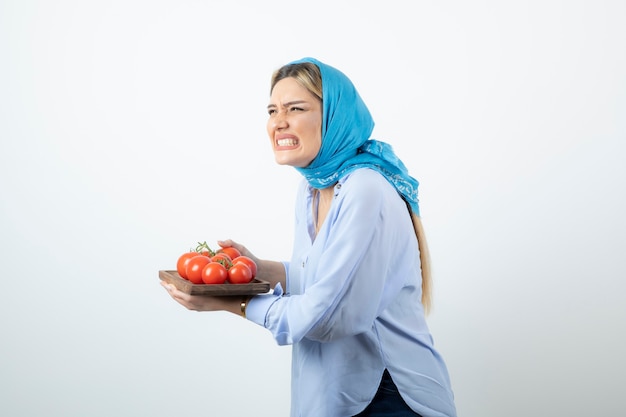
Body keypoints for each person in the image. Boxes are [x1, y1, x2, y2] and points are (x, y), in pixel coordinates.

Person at [161, 57, 457, 417]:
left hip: (388, 395)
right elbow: (320, 276)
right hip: (336, 392)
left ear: (333, 117)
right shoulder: (313, 188)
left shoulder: (365, 188)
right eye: (272, 110)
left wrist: (233, 303)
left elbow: (326, 317)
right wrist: (258, 269)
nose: (278, 121)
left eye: (295, 108)